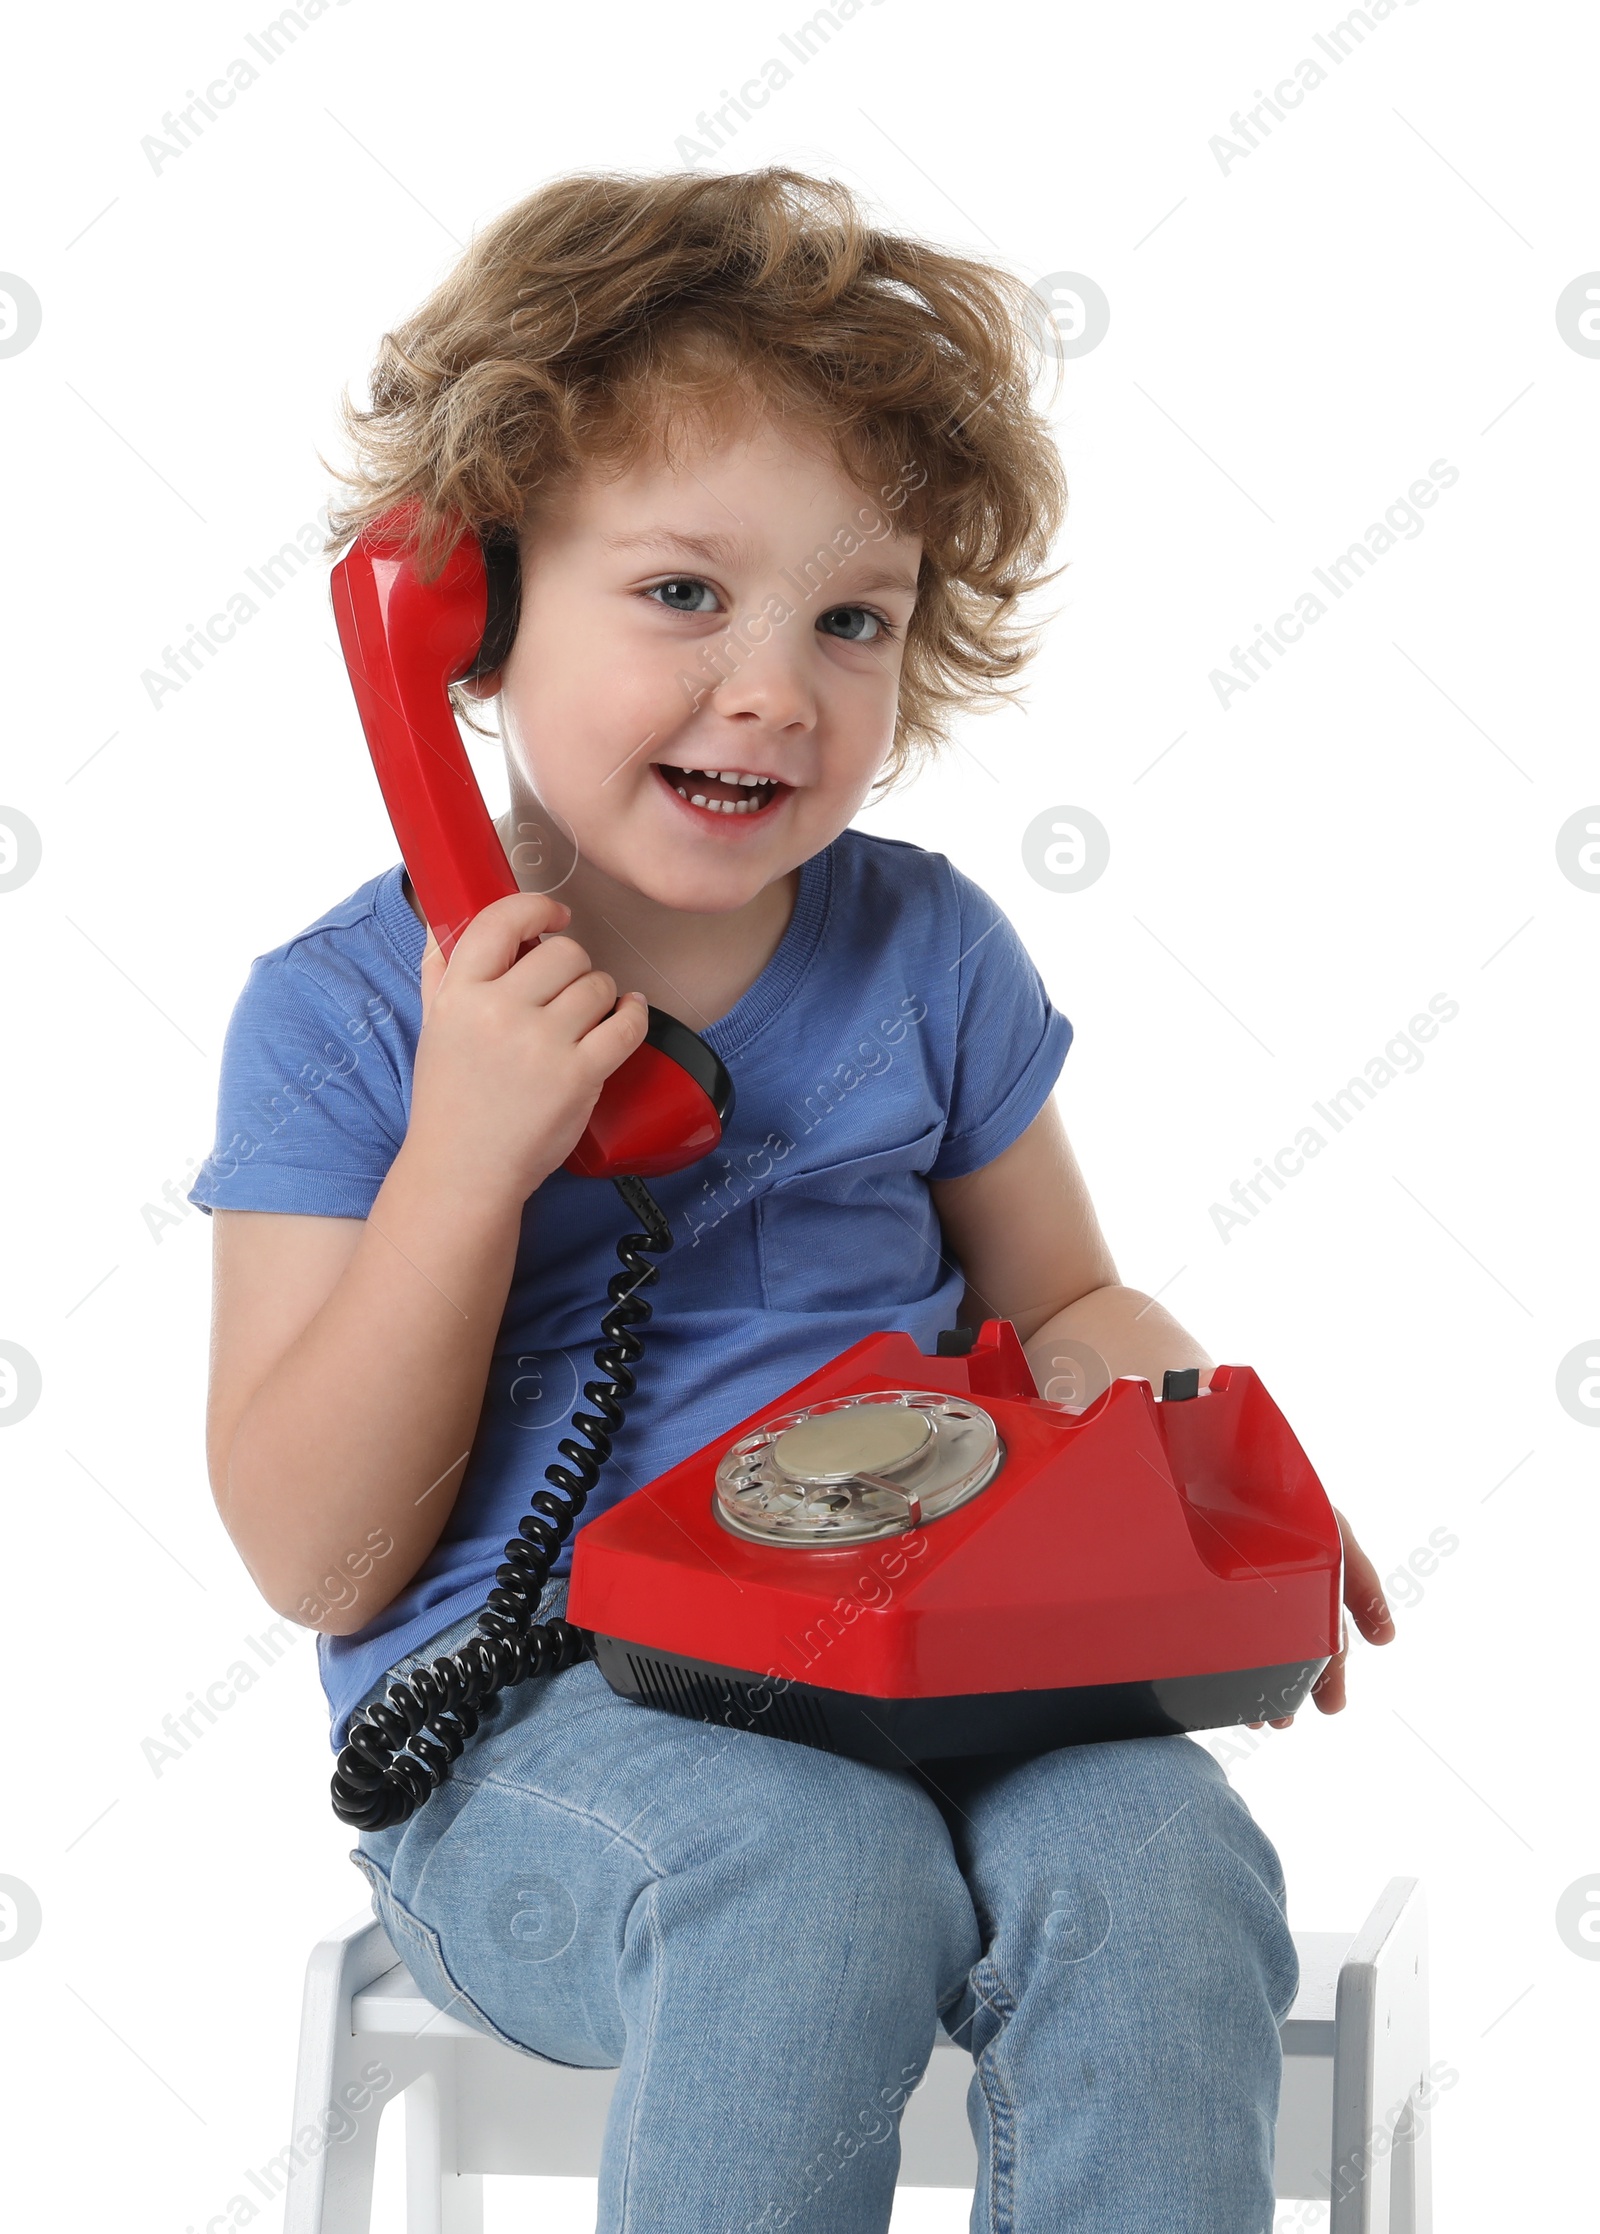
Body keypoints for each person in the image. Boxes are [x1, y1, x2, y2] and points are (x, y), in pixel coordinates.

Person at [190, 165, 1393, 2232]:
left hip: (945, 1670)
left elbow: (1069, 1299)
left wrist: (1210, 1466)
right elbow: (313, 1551)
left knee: (1162, 1853)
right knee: (806, 1871)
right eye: (682, 595)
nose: (774, 687)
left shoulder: (924, 955)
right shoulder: (340, 1024)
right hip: (550, 1739)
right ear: (458, 620)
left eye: (851, 619)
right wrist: (469, 1157)